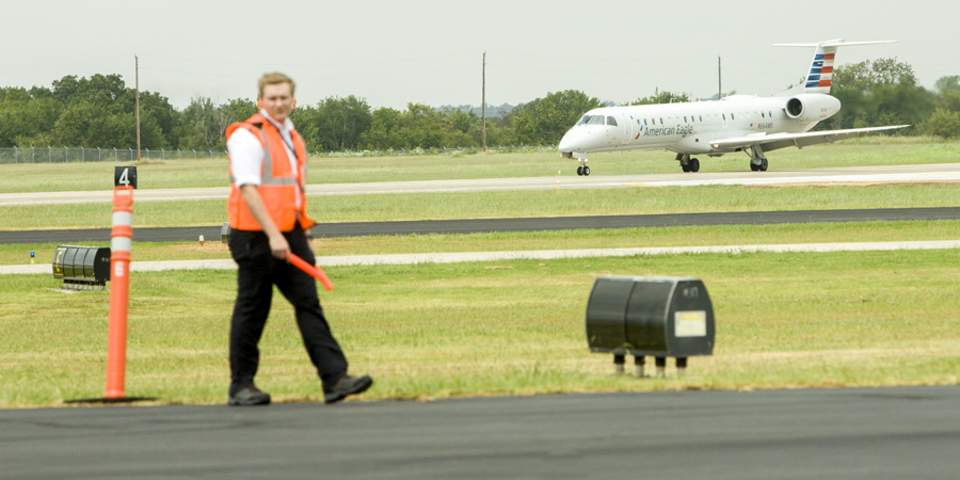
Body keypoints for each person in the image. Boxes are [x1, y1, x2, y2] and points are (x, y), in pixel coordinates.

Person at [224, 72, 372, 406]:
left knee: (309, 303)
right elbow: (248, 189)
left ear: (293, 101)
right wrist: (274, 236)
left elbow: (290, 191)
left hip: (289, 233)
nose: (278, 103)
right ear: (260, 101)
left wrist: (299, 233)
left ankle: (335, 378)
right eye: (271, 98)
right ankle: (241, 386)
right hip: (254, 235)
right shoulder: (249, 136)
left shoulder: (291, 136)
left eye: (283, 98)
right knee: (253, 308)